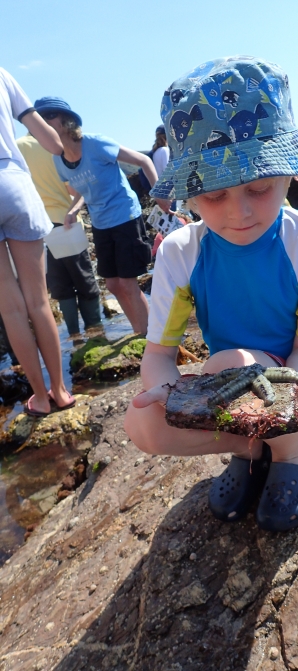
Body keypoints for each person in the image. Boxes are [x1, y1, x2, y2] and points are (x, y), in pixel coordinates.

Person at [124, 56, 298, 532]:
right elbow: (159, 354)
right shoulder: (180, 252)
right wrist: (168, 391)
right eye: (214, 194)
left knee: (231, 363)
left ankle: (292, 450)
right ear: (189, 194)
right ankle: (251, 446)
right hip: (226, 395)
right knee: (142, 424)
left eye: (260, 187)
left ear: (290, 171)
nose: (239, 212)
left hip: (294, 394)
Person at [34, 97, 172, 336]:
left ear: (67, 121)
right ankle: (140, 331)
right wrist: (74, 208)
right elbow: (80, 189)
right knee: (112, 284)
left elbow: (143, 160)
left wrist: (159, 194)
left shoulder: (95, 143)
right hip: (100, 222)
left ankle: (150, 337)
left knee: (127, 283)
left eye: (48, 116)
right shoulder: (58, 161)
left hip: (124, 215)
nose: (42, 123)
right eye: (38, 120)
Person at [0, 68, 76, 417]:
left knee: (10, 307)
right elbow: (52, 142)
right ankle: (60, 390)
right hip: (12, 182)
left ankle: (39, 398)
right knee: (39, 300)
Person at [17, 132, 102, 337]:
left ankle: (74, 337)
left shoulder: (17, 146)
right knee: (84, 280)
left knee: (60, 284)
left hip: (37, 227)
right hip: (67, 222)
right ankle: (96, 333)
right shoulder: (56, 146)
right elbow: (75, 188)